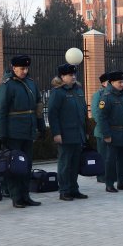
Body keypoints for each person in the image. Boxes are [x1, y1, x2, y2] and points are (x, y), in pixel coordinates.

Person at [0, 54, 45, 208]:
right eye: (22, 68)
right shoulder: (7, 85)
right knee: (15, 166)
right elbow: (0, 111)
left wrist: (41, 127)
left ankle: (25, 195)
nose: (24, 71)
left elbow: (38, 108)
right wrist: (1, 134)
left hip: (28, 131)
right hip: (13, 132)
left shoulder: (31, 84)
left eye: (26, 68)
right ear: (14, 68)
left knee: (27, 165)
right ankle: (16, 197)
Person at [48, 63, 88, 200]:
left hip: (78, 133)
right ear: (62, 76)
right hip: (65, 134)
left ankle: (73, 188)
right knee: (65, 164)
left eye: (74, 74)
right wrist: (56, 133)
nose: (73, 77)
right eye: (70, 75)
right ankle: (64, 190)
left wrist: (85, 131)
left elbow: (83, 112)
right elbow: (52, 115)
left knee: (75, 163)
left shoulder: (78, 91)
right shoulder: (57, 92)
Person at [97, 71, 123, 192]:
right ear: (111, 82)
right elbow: (102, 117)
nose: (122, 84)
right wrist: (107, 134)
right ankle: (109, 184)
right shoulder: (107, 97)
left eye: (122, 81)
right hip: (113, 133)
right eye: (119, 82)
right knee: (110, 160)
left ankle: (122, 182)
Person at [91, 72, 109, 183]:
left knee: (110, 155)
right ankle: (102, 176)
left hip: (111, 129)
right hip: (101, 130)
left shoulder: (113, 93)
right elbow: (96, 112)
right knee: (103, 155)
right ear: (103, 83)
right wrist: (103, 126)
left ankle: (110, 174)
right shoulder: (99, 94)